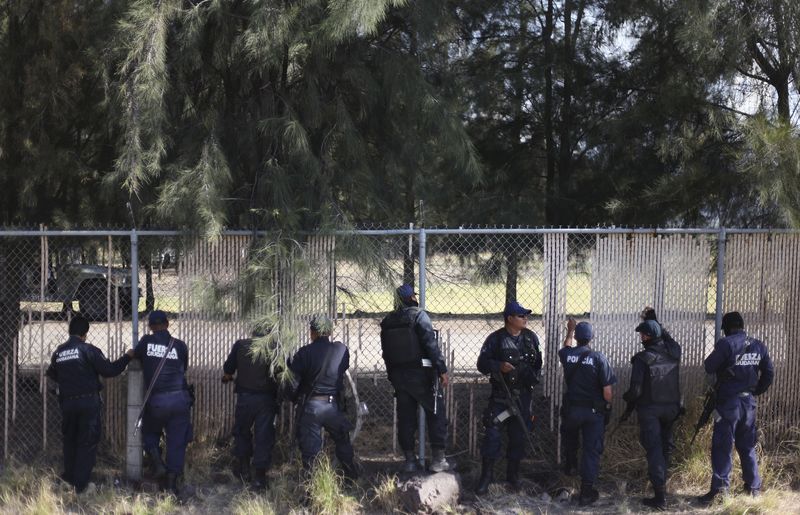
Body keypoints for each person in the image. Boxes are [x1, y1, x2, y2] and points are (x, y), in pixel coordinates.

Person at [46, 315, 133, 493]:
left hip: (67, 403)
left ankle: (69, 478)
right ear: (85, 334)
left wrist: (67, 384)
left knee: (70, 440)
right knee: (87, 442)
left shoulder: (59, 352)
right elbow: (110, 370)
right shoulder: (89, 350)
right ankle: (81, 485)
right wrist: (127, 357)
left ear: (70, 332)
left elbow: (52, 375)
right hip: (87, 402)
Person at [697, 311, 774, 506]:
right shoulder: (758, 345)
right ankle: (753, 487)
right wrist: (756, 390)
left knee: (723, 445)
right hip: (748, 404)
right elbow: (769, 372)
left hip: (728, 404)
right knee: (747, 445)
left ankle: (721, 490)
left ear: (727, 328)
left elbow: (709, 366)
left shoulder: (726, 344)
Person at [380, 284, 449, 473]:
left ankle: (410, 460)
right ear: (412, 298)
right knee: (436, 414)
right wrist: (442, 369)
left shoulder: (387, 322)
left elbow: (386, 352)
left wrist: (392, 376)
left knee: (406, 419)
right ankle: (438, 460)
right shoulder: (419, 316)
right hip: (423, 376)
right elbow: (430, 344)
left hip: (399, 377)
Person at [475, 300, 543, 494]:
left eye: (525, 315)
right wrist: (498, 366)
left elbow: (538, 363)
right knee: (492, 434)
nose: (525, 319)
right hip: (501, 397)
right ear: (509, 319)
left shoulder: (531, 338)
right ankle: (486, 477)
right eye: (521, 316)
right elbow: (482, 364)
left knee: (519, 436)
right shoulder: (495, 339)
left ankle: (512, 477)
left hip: (523, 397)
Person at [622, 313, 682, 509]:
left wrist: (627, 398)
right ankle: (663, 482)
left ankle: (660, 497)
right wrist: (658, 324)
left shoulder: (642, 359)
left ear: (647, 336)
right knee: (666, 447)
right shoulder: (674, 352)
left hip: (650, 411)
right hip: (672, 409)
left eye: (642, 335)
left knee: (654, 449)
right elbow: (669, 339)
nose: (640, 338)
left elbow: (635, 391)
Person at [289, 314, 358, 479]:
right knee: (342, 440)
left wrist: (293, 398)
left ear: (312, 332)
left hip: (311, 407)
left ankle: (312, 489)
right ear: (329, 331)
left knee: (310, 452)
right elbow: (343, 367)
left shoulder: (304, 353)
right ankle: (351, 476)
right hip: (333, 407)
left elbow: (292, 382)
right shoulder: (341, 350)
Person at [133, 310, 192, 495]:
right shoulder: (180, 346)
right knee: (176, 441)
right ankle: (171, 484)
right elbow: (184, 367)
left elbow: (137, 359)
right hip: (180, 399)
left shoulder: (145, 342)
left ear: (150, 327)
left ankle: (157, 463)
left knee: (149, 430)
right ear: (167, 324)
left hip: (157, 400)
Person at [558, 318, 616, 506]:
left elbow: (565, 347)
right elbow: (607, 392)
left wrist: (569, 331)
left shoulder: (567, 355)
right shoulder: (599, 358)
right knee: (591, 451)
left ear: (576, 337)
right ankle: (586, 492)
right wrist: (607, 406)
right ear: (592, 338)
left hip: (572, 410)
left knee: (571, 439)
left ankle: (571, 465)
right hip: (593, 413)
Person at [222, 329, 280, 489]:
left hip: (245, 399)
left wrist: (228, 376)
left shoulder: (240, 345)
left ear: (253, 331)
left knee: (242, 432)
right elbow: (282, 373)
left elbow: (228, 368)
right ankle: (260, 477)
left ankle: (244, 469)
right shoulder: (274, 348)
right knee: (264, 436)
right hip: (267, 400)